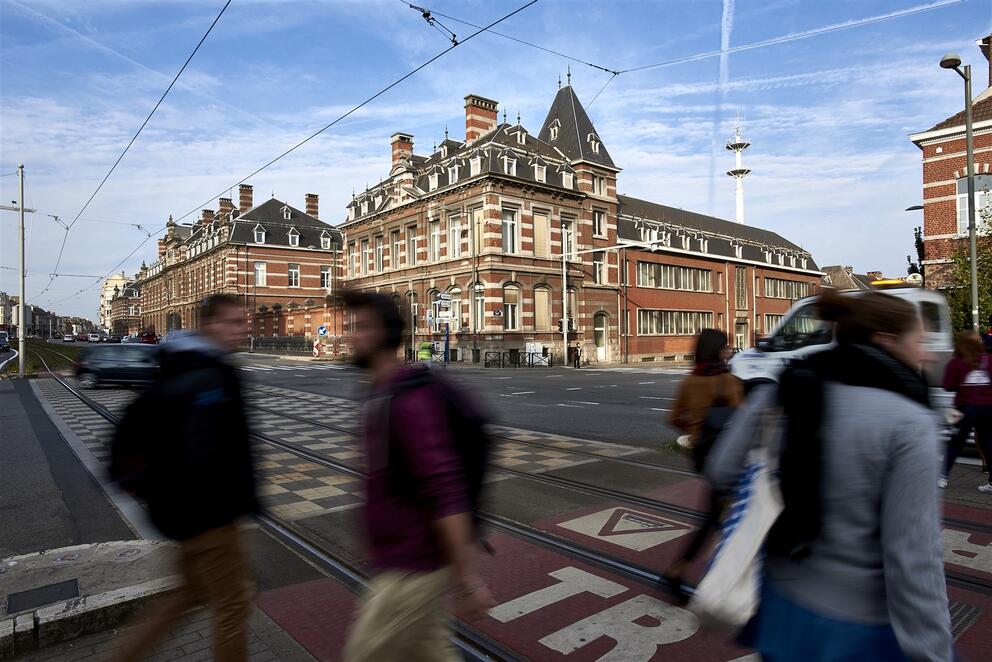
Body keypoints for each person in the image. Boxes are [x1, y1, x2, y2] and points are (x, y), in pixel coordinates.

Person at [707, 290, 953, 661]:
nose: (929, 353)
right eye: (919, 341)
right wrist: (934, 651)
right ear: (885, 341)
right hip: (858, 627)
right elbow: (914, 558)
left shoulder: (786, 389)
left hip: (781, 605)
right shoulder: (911, 423)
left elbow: (721, 469)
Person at [341, 291, 493, 662]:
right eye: (350, 326)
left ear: (384, 335)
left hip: (414, 563)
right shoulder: (379, 392)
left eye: (360, 328)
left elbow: (445, 488)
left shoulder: (409, 401)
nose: (349, 336)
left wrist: (467, 577)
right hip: (396, 559)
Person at [112, 294, 257, 662]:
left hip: (179, 513)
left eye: (245, 320)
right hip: (209, 517)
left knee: (188, 595)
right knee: (233, 603)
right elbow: (205, 452)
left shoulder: (184, 365)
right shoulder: (209, 377)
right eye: (235, 322)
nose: (245, 329)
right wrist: (232, 502)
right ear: (210, 326)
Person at [663, 329, 743, 603]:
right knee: (718, 517)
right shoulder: (728, 381)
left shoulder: (689, 381)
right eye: (725, 347)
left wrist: (697, 429)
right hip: (726, 456)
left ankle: (682, 572)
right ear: (717, 351)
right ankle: (677, 572)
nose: (728, 351)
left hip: (701, 455)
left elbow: (673, 418)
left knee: (718, 515)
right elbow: (742, 420)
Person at [942, 330, 992, 492]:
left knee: (955, 443)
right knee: (988, 443)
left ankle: (942, 477)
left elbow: (948, 386)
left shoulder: (956, 362)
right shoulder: (989, 360)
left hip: (964, 408)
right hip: (988, 408)